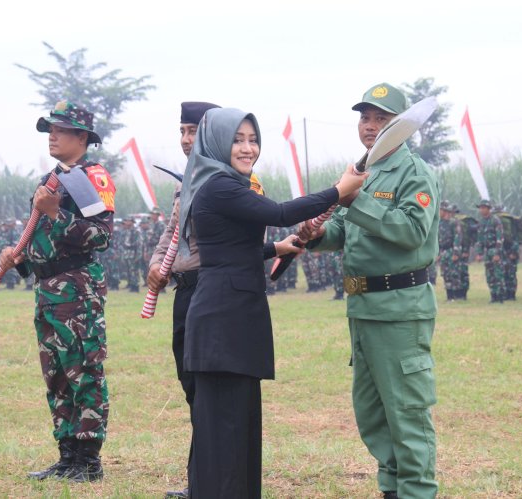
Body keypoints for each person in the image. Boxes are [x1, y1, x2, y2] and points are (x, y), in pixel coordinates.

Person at [179, 107, 363, 498]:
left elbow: (227, 249)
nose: (248, 148)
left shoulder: (222, 184)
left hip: (231, 318)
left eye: (253, 139)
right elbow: (279, 211)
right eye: (238, 140)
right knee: (225, 428)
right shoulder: (219, 186)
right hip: (223, 321)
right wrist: (339, 190)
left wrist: (276, 248)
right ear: (215, 143)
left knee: (237, 424)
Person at [301, 82, 440, 498]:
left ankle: (416, 491)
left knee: (407, 413)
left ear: (401, 126)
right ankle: (392, 489)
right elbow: (346, 230)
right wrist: (317, 233)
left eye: (381, 118)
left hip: (400, 310)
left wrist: (354, 201)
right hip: (363, 308)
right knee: (373, 412)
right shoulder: (366, 170)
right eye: (365, 117)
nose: (370, 125)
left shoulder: (415, 172)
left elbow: (413, 231)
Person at [0, 101, 116, 482]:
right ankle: (66, 457)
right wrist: (18, 260)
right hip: (47, 292)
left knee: (84, 371)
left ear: (82, 137)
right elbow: (45, 243)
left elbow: (101, 237)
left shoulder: (89, 178)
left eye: (61, 130)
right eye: (50, 128)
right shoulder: (53, 178)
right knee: (57, 376)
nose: (52, 135)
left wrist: (54, 213)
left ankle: (89, 460)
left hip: (78, 294)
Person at [147, 101, 219, 498]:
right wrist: (157, 265)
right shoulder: (184, 183)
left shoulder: (233, 180)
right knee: (191, 385)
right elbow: (170, 232)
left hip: (213, 290)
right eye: (182, 131)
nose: (186, 139)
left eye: (194, 130)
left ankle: (207, 483)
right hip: (185, 292)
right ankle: (200, 481)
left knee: (209, 389)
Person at [475, 199, 505, 303]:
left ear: (488, 209)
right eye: (480, 208)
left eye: (483, 208)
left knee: (497, 273)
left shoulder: (495, 220)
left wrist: (497, 253)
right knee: (489, 274)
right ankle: (493, 295)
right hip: (487, 251)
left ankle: (500, 296)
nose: (482, 210)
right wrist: (479, 253)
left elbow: (500, 238)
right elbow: (479, 239)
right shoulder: (481, 222)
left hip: (494, 249)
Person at [438, 200, 462, 301]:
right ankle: (449, 296)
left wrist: (456, 253)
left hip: (451, 250)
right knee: (445, 273)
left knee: (453, 273)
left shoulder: (453, 222)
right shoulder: (439, 223)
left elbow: (458, 237)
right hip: (443, 252)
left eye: (441, 210)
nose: (439, 212)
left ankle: (455, 296)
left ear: (445, 210)